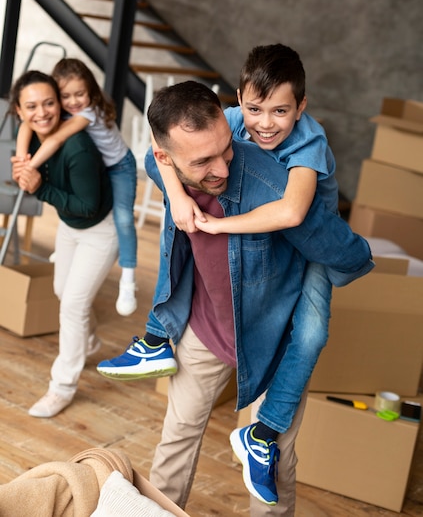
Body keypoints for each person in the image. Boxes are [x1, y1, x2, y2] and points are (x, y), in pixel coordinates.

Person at [98, 80, 373, 514]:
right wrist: (174, 190)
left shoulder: (273, 186)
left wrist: (305, 223)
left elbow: (351, 253)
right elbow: (155, 150)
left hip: (274, 342)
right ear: (169, 159)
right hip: (205, 329)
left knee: (273, 467)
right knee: (175, 441)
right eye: (203, 160)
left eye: (225, 149)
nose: (222, 168)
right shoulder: (164, 167)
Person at [10, 70, 119, 418]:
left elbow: (88, 207)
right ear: (19, 111)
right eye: (32, 106)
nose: (42, 112)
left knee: (72, 305)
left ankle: (62, 387)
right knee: (62, 290)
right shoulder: (30, 135)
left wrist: (39, 187)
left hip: (101, 229)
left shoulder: (77, 146)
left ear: (60, 103)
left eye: (49, 103)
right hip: (71, 227)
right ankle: (88, 342)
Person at [15, 58, 138, 316]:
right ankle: (69, 251)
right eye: (65, 96)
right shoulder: (61, 111)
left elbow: (58, 138)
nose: (73, 102)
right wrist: (21, 156)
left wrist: (28, 168)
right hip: (101, 165)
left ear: (90, 91)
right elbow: (26, 124)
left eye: (79, 94)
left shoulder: (87, 112)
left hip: (120, 165)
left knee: (124, 217)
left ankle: (128, 278)